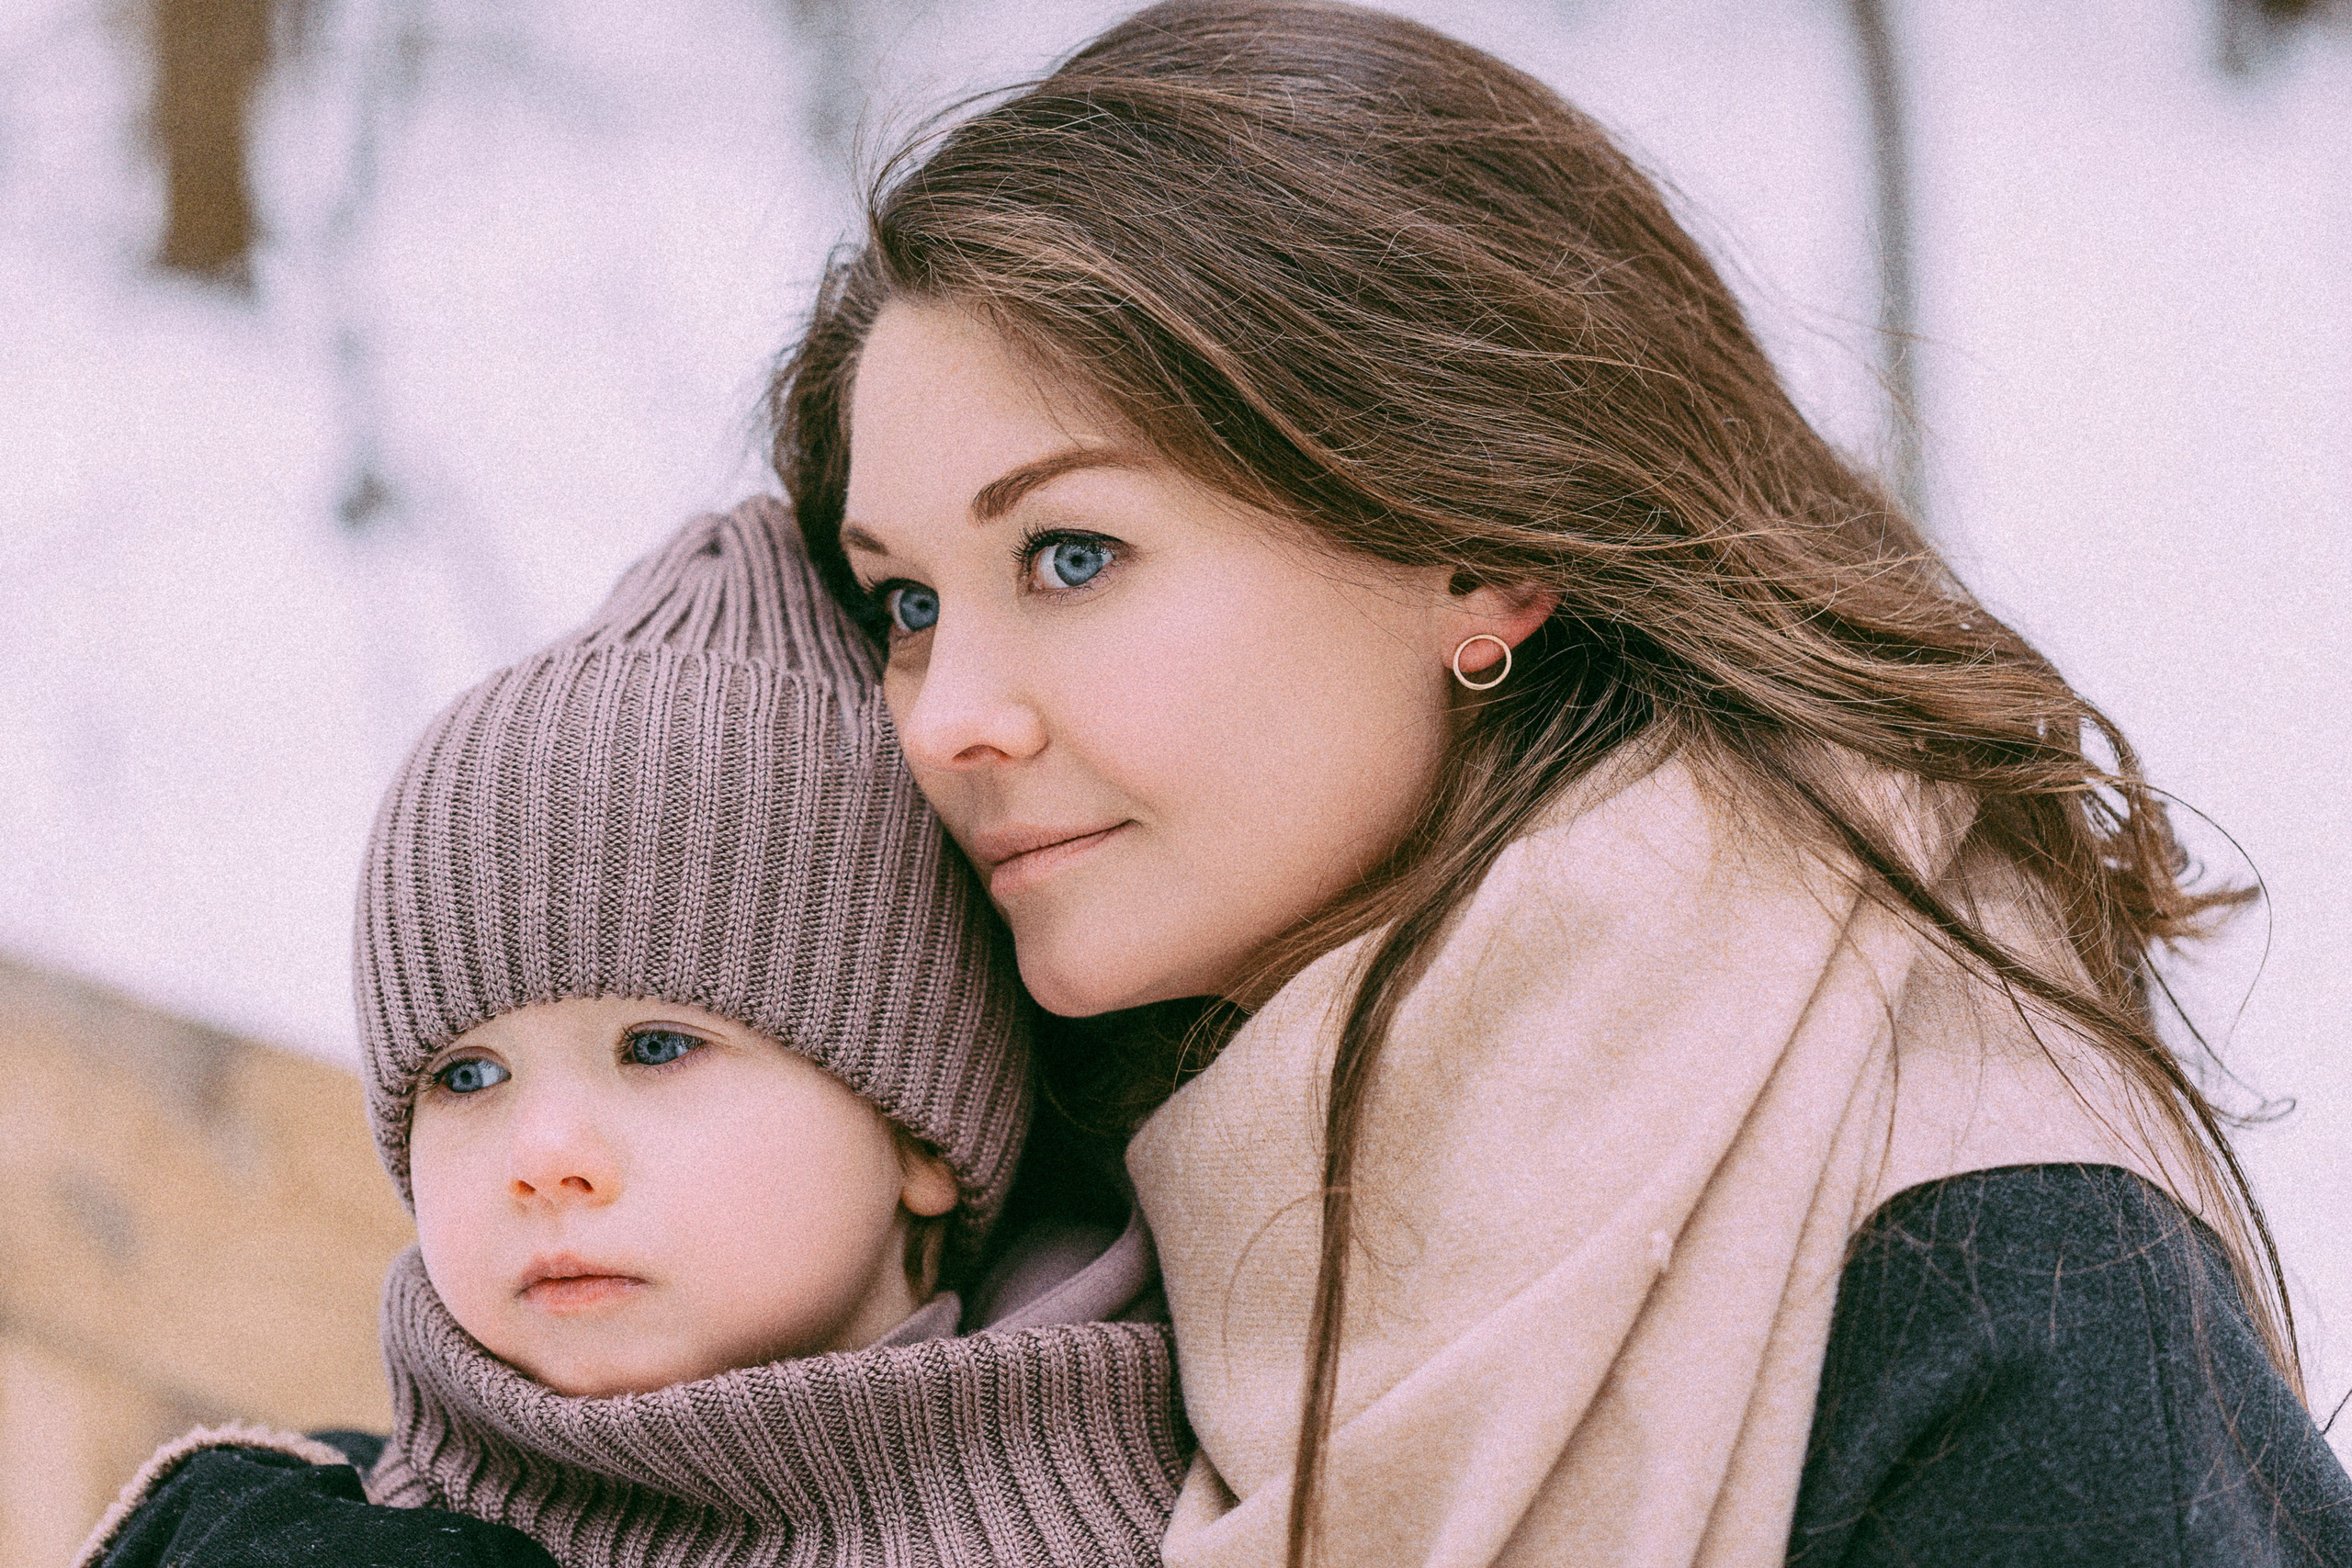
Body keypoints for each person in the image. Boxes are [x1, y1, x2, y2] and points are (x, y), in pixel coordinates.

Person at [768, 3, 2352, 1565]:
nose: (946, 717)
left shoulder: (1980, 1253)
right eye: (905, 602)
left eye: (1070, 555)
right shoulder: (1020, 1193)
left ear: (1484, 544)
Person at [76, 500, 1189, 1568]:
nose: (543, 1159)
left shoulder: (1146, 1507)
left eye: (658, 1047)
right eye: (467, 1074)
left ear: (921, 1137)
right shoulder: (301, 1526)